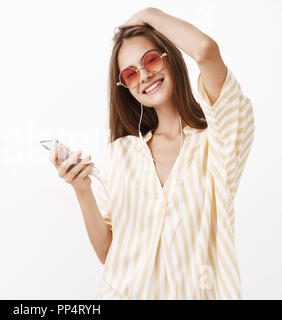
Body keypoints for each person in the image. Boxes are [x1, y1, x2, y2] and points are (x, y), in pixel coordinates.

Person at [48, 7, 255, 299]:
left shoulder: (219, 141)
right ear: (126, 88)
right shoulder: (122, 154)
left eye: (151, 59)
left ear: (170, 58)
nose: (144, 75)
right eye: (131, 74)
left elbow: (206, 50)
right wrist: (82, 190)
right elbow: (110, 253)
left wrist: (149, 15)